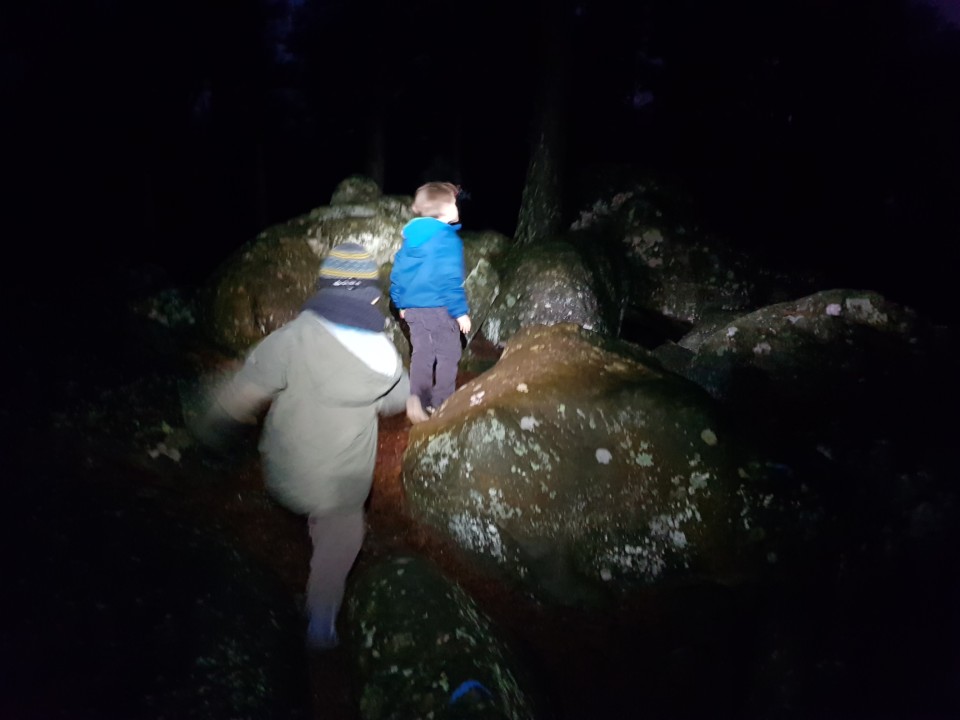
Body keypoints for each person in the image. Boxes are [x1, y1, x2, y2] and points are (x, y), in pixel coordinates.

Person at [195, 242, 408, 650]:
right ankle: (321, 619)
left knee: (310, 502)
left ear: (322, 291)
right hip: (342, 488)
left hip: (286, 471)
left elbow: (244, 391)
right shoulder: (386, 359)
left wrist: (209, 422)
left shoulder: (291, 340)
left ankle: (295, 552)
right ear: (372, 298)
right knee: (341, 536)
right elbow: (400, 400)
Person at [390, 181, 471, 423]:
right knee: (449, 353)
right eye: (454, 202)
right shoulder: (447, 239)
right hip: (440, 308)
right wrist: (460, 313)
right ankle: (441, 402)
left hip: (414, 310)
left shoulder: (411, 238)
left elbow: (398, 274)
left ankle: (417, 398)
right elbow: (450, 279)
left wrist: (401, 304)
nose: (458, 207)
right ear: (444, 209)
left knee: (422, 353)